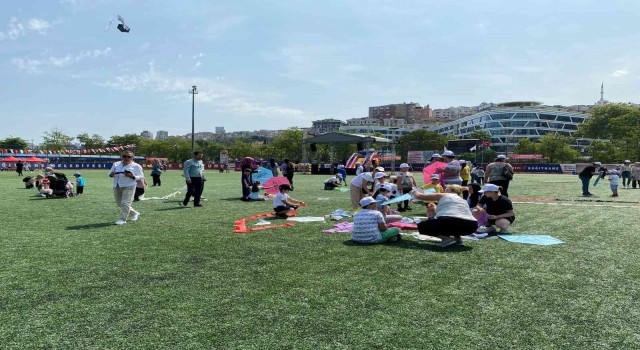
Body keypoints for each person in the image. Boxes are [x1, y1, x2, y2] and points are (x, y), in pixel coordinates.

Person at [411, 184, 477, 247]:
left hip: (452, 222)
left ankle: (447, 239)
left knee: (421, 226)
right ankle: (458, 239)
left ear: (448, 190)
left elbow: (419, 196)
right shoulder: (463, 200)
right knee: (453, 222)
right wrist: (434, 208)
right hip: (472, 226)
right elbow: (453, 212)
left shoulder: (445, 195)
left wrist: (413, 191)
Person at [108, 150, 144, 225]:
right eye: (124, 156)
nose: (126, 158)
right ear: (121, 156)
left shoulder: (136, 166)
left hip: (129, 186)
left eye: (129, 156)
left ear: (132, 157)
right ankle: (135, 213)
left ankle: (122, 219)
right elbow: (110, 174)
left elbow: (141, 176)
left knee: (125, 203)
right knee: (119, 203)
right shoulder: (116, 164)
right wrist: (112, 174)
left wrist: (132, 176)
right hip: (117, 185)